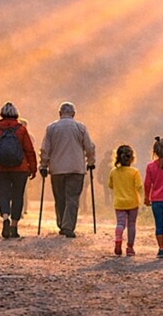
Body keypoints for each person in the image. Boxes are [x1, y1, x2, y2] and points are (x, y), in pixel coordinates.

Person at [39, 101, 97, 238]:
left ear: (60, 113)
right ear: (74, 114)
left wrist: (43, 165)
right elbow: (89, 147)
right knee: (72, 198)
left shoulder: (51, 128)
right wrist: (91, 162)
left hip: (57, 169)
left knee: (60, 198)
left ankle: (62, 223)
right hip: (76, 169)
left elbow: (45, 149)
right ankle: (68, 226)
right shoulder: (80, 127)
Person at [0, 102, 37, 239]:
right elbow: (29, 150)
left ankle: (5, 217)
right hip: (20, 168)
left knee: (3, 194)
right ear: (16, 114)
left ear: (1, 114)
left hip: (0, 168)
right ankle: (14, 226)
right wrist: (33, 168)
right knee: (18, 195)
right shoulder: (21, 129)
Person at [108, 144, 143, 256]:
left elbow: (110, 185)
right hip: (133, 203)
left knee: (120, 223)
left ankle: (118, 239)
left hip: (119, 203)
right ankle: (130, 248)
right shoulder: (134, 172)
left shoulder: (114, 172)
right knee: (131, 224)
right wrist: (145, 197)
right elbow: (139, 186)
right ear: (132, 158)